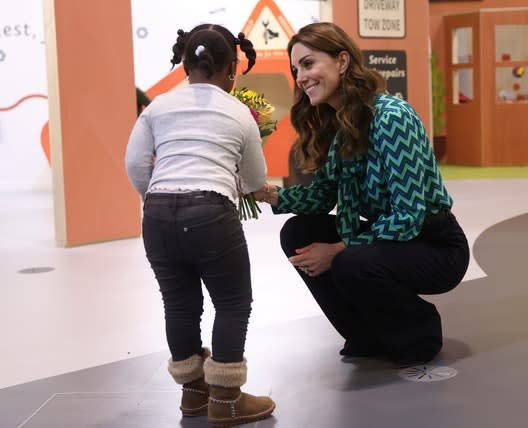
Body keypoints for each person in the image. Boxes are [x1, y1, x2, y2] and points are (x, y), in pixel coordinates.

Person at [253, 22, 470, 367]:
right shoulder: (341, 127)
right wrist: (264, 193)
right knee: (298, 232)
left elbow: (408, 215)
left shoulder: (392, 117)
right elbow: (322, 197)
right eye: (296, 69)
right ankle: (365, 333)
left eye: (308, 64)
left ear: (341, 61)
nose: (301, 77)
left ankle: (420, 333)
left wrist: (337, 250)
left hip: (435, 244)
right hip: (392, 240)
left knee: (352, 261)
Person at [124, 23, 275, 426]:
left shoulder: (157, 107)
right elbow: (255, 180)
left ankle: (193, 397)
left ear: (185, 65)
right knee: (231, 302)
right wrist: (235, 183)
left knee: (179, 304)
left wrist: (154, 196)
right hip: (210, 214)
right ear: (232, 70)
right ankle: (225, 401)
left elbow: (135, 163)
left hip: (157, 216)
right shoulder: (238, 113)